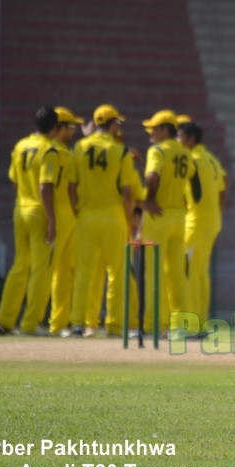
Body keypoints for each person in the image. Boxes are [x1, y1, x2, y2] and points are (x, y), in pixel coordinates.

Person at [68, 104, 140, 337]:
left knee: (84, 273)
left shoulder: (79, 147)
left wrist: (77, 211)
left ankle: (78, 323)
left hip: (86, 216)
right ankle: (114, 325)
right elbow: (128, 193)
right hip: (113, 216)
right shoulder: (121, 151)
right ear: (112, 125)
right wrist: (129, 222)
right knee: (117, 274)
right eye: (116, 122)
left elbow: (71, 186)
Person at [0, 106, 60, 336]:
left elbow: (14, 181)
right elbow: (45, 187)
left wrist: (23, 199)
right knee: (41, 269)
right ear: (55, 128)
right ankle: (30, 323)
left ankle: (3, 319)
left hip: (20, 209)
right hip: (38, 211)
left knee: (19, 266)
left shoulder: (20, 145)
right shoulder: (49, 150)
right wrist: (52, 220)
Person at [141, 109, 195, 334]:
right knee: (177, 275)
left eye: (154, 128)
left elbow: (152, 176)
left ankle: (154, 325)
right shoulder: (185, 153)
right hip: (178, 218)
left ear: (165, 130)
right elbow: (191, 175)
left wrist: (150, 198)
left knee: (154, 274)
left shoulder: (158, 150)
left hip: (159, 215)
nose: (151, 132)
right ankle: (179, 326)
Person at [177, 119, 228, 322]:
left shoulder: (191, 159)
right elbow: (224, 184)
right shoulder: (212, 160)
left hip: (195, 223)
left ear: (190, 139)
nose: (177, 139)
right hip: (212, 222)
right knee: (200, 273)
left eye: (179, 136)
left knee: (186, 272)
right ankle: (200, 323)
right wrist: (218, 216)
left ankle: (190, 324)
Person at [48, 107, 82, 337]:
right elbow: (70, 190)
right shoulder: (59, 153)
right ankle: (48, 322)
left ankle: (58, 323)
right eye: (71, 127)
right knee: (51, 271)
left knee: (64, 273)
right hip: (62, 216)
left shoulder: (61, 152)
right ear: (60, 128)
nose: (74, 131)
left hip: (64, 217)